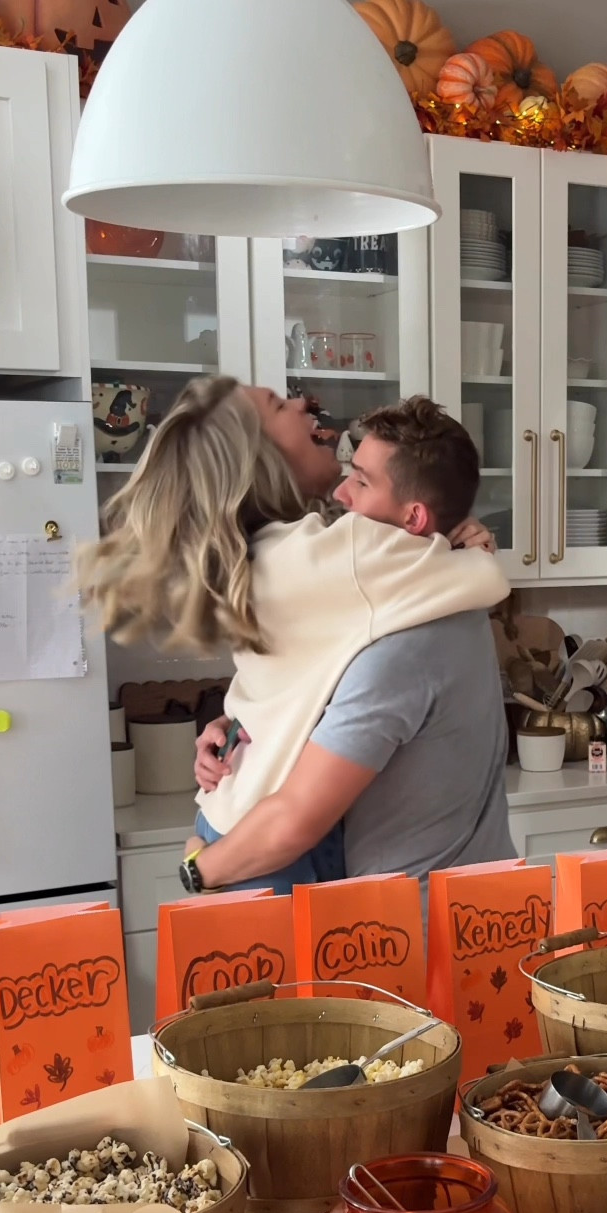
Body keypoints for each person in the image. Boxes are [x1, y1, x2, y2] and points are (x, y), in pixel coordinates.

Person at [76, 377, 510, 894]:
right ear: (260, 457)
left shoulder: (264, 554)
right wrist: (467, 550)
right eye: (280, 406)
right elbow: (487, 581)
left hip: (233, 818)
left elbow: (298, 682)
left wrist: (232, 724)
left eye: (363, 480)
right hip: (266, 845)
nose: (305, 402)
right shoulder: (340, 557)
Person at [192, 396, 515, 905]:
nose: (343, 493)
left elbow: (294, 820)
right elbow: (304, 679)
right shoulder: (442, 596)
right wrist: (235, 729)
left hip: (420, 925)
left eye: (362, 481)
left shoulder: (403, 646)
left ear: (412, 518)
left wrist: (198, 864)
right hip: (477, 901)